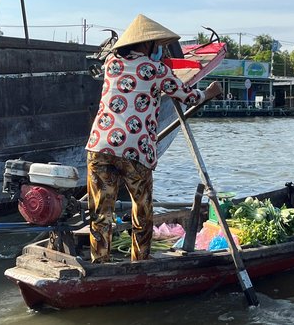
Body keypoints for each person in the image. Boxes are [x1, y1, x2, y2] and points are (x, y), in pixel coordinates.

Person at [85, 14, 222, 263]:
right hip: (135, 150)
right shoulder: (156, 69)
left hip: (100, 145)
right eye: (156, 46)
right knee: (142, 211)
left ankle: (99, 262)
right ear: (147, 45)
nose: (158, 51)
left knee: (101, 212)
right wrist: (209, 92)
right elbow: (187, 96)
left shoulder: (111, 64)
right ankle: (140, 262)